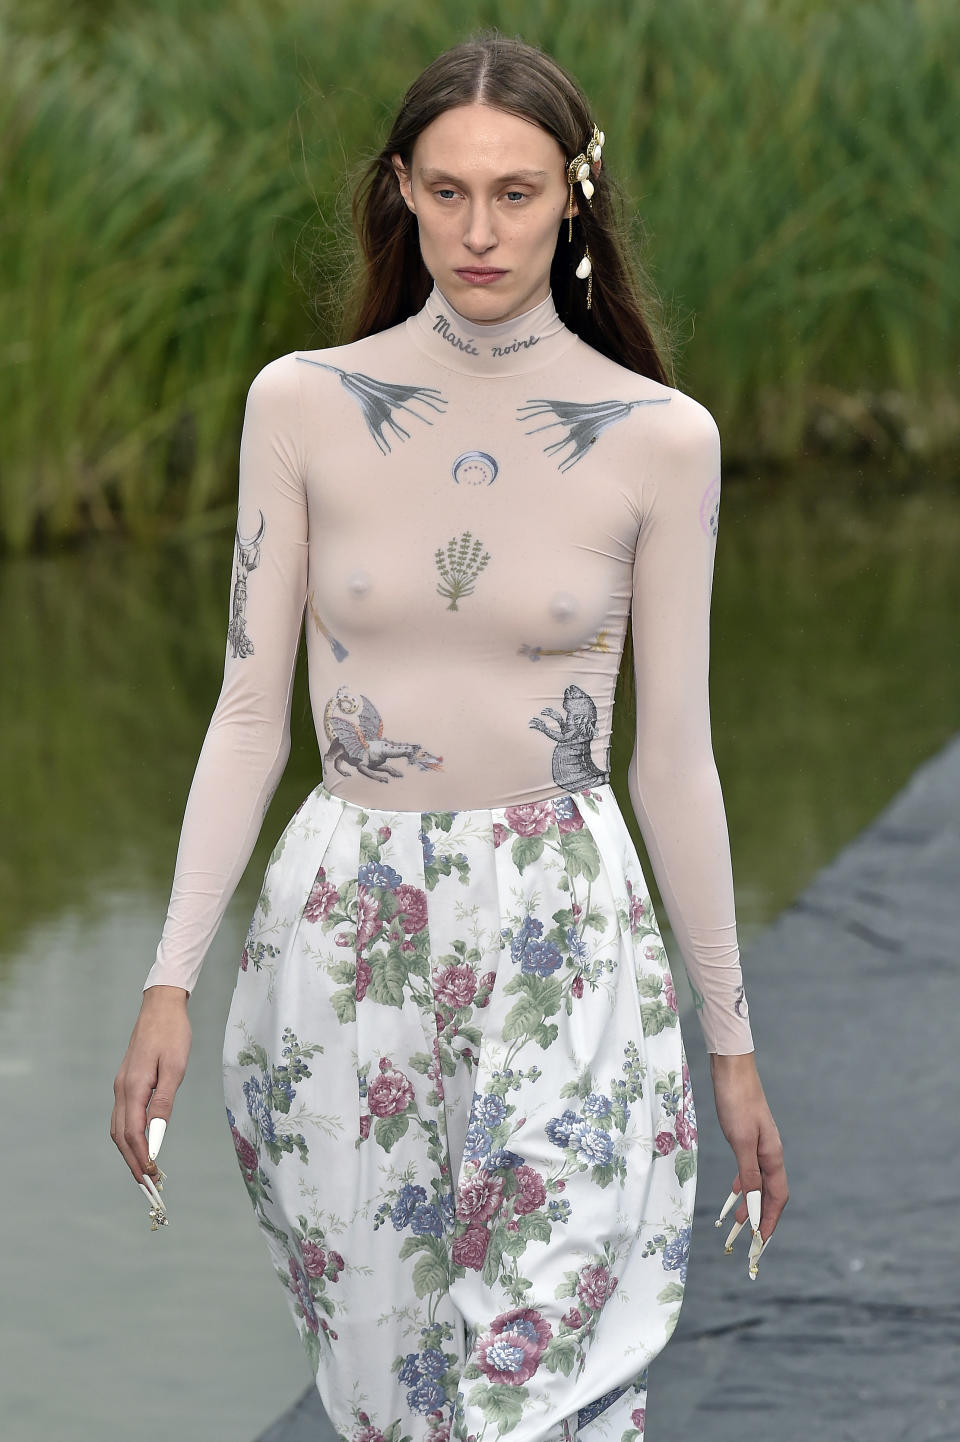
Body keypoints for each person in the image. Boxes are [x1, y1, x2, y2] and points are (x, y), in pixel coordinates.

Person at [111, 30, 788, 1442]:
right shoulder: (299, 406)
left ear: (574, 200)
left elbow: (676, 758)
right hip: (344, 930)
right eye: (449, 190)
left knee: (534, 1372)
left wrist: (730, 1046)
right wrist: (170, 974)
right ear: (401, 193)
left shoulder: (663, 439)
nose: (481, 231)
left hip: (568, 927)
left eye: (519, 193)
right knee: (387, 1387)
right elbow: (247, 714)